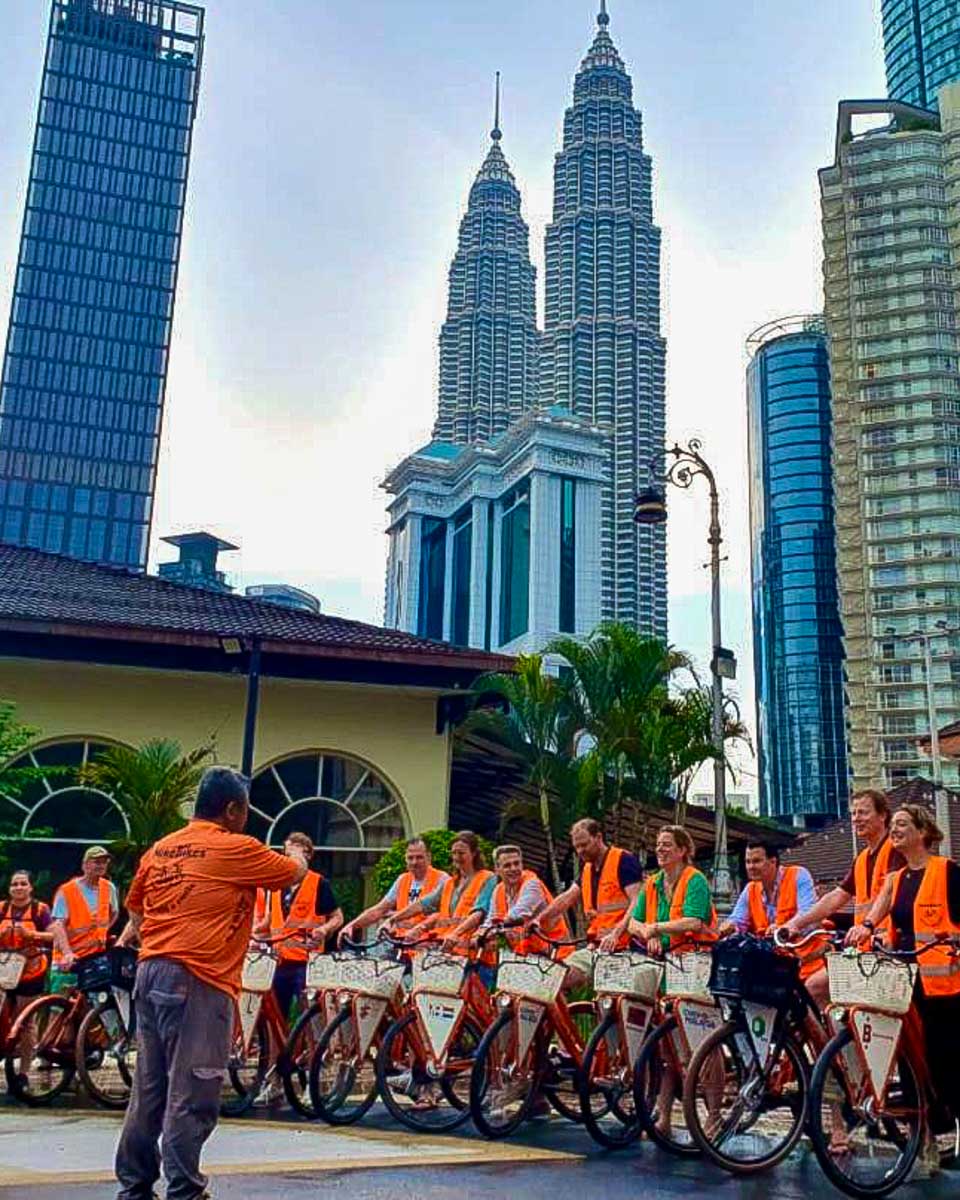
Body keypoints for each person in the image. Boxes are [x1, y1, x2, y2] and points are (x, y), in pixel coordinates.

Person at [114, 766, 308, 1200]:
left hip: (151, 969)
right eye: (246, 809)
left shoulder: (162, 849)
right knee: (194, 1088)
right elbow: (291, 873)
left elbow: (136, 908)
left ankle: (135, 1185)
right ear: (233, 809)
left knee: (150, 1087)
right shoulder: (235, 847)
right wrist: (298, 853)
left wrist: (163, 939)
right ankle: (185, 1188)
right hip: (200, 977)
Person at [847, 803, 960, 1173]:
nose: (894, 831)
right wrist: (865, 927)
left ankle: (951, 1127)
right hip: (903, 981)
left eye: (902, 824)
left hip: (943, 986)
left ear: (922, 832)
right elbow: (876, 911)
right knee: (908, 1062)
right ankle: (922, 1143)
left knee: (945, 1063)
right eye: (893, 825)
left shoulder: (946, 871)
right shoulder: (895, 879)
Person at [782, 789, 904, 999]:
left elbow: (890, 891)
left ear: (883, 815)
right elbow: (836, 897)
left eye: (863, 812)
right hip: (865, 948)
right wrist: (796, 923)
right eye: (853, 813)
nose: (856, 818)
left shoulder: (895, 850)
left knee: (822, 988)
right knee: (815, 987)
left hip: (890, 948)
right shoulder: (862, 859)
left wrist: (867, 926)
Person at [534, 818, 642, 983]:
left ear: (598, 837)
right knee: (556, 976)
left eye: (584, 845)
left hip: (625, 947)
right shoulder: (587, 870)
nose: (580, 851)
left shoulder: (623, 860)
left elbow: (637, 902)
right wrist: (539, 919)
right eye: (577, 847)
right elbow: (566, 898)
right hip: (596, 947)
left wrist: (616, 934)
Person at [252, 832, 343, 1021]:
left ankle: (305, 1040)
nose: (288, 858)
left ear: (307, 854)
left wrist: (324, 930)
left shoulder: (318, 883)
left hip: (307, 962)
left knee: (307, 1016)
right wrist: (253, 932)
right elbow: (272, 918)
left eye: (293, 853)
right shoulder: (278, 884)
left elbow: (337, 917)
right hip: (279, 961)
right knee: (274, 1015)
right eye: (286, 853)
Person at [718, 841, 826, 996]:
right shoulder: (750, 889)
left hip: (811, 962)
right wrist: (729, 927)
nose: (751, 867)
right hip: (776, 966)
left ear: (773, 861)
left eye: (757, 861)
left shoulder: (798, 875)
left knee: (810, 992)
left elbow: (809, 913)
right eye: (748, 862)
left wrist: (785, 928)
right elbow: (738, 920)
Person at [453, 844, 572, 959]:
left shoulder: (532, 884)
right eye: (507, 865)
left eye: (517, 863)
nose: (513, 869)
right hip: (528, 955)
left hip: (556, 953)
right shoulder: (498, 890)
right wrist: (478, 935)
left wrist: (490, 931)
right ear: (497, 869)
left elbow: (516, 915)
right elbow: (491, 918)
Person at [386, 830, 495, 944]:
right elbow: (422, 904)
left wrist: (456, 934)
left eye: (461, 853)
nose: (456, 857)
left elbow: (479, 913)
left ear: (474, 853)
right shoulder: (450, 883)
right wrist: (392, 919)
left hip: (471, 947)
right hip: (445, 945)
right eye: (454, 853)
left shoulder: (487, 878)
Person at [339, 836, 449, 946]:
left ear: (429, 857)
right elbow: (380, 909)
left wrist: (419, 929)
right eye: (410, 858)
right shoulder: (402, 880)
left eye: (419, 857)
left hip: (429, 945)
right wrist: (352, 926)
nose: (414, 862)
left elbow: (444, 914)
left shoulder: (442, 879)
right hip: (401, 943)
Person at [0, 869, 54, 1085]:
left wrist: (32, 935)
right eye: (15, 884)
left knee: (26, 1022)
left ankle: (23, 1072)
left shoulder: (40, 910)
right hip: (4, 969)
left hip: (31, 971)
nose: (19, 888)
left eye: (23, 884)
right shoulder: (1, 908)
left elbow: (53, 935)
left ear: (31, 887)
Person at [629, 825, 716, 955]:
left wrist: (656, 928)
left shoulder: (695, 879)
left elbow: (694, 922)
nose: (659, 849)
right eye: (658, 844)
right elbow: (633, 923)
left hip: (694, 956)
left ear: (681, 851)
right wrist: (649, 935)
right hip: (661, 956)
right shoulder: (651, 882)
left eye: (666, 845)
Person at [50, 845, 119, 974]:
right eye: (97, 862)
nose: (101, 866)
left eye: (104, 862)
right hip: (69, 960)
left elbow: (114, 913)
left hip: (96, 958)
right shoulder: (67, 890)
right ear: (85, 865)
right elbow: (58, 925)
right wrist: (67, 953)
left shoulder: (109, 888)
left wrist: (102, 933)